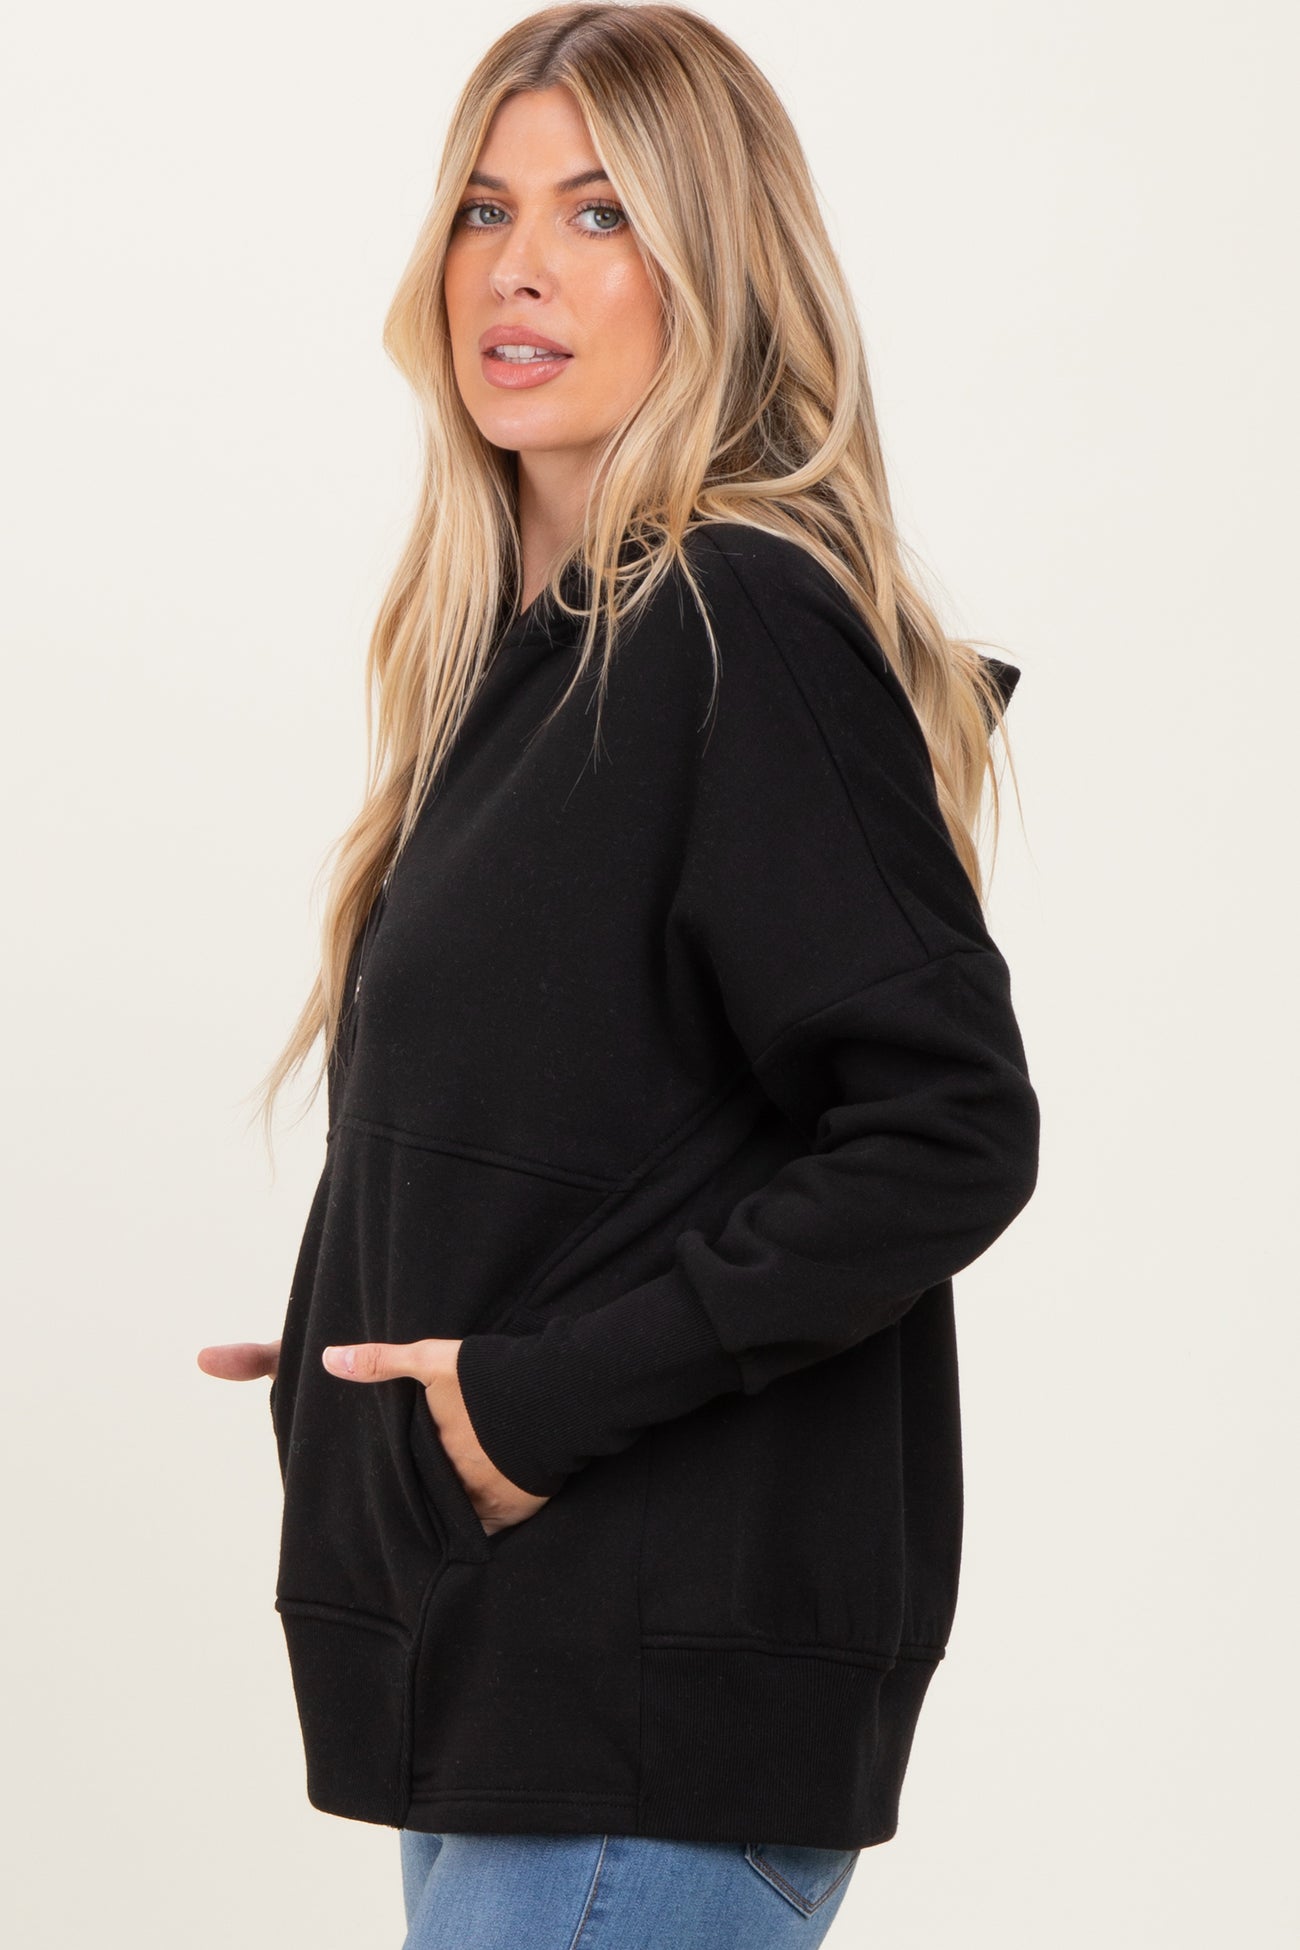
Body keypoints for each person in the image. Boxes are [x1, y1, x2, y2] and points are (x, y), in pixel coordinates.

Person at [198, 6, 1041, 1945]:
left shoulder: (733, 622)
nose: (518, 266)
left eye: (599, 215)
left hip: (639, 1706)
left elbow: (944, 1130)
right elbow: (632, 1126)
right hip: (530, 1688)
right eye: (484, 210)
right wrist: (367, 1320)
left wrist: (526, 1402)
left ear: (714, 272)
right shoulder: (543, 669)